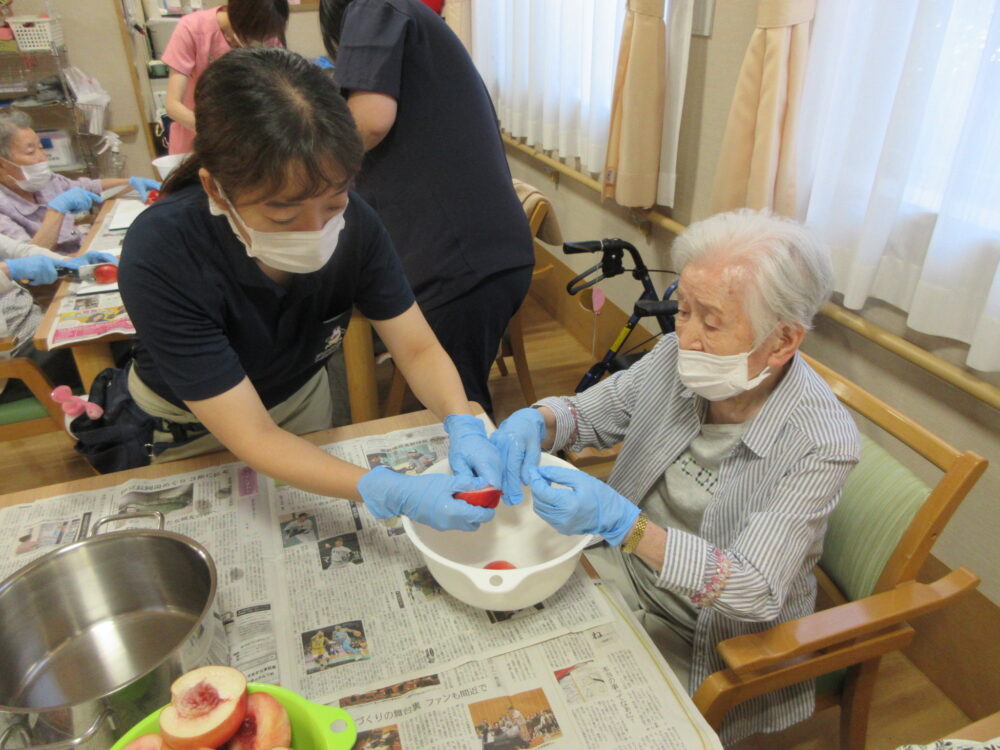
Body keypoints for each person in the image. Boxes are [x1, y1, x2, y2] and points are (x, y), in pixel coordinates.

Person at [491, 210, 861, 745]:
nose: (685, 337)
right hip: (618, 571)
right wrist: (539, 419)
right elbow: (592, 413)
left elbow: (754, 589)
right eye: (682, 310)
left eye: (711, 323)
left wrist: (628, 527)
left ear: (782, 342)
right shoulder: (671, 356)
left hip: (707, 634)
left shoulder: (820, 442)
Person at [119, 47, 504, 532]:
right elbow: (254, 436)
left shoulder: (357, 224)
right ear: (216, 189)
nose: (315, 228)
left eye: (333, 202)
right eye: (283, 214)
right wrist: (389, 490)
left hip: (302, 400)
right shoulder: (163, 250)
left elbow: (419, 347)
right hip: (190, 429)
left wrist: (463, 419)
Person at [320, 0, 534, 416]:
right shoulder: (413, 26)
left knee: (454, 419)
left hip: (460, 265)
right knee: (452, 410)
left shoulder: (374, 4)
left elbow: (371, 121)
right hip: (476, 257)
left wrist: (303, 175)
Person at [0, 110, 160, 253]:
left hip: (80, 251)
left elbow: (91, 187)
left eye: (41, 148)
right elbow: (29, 263)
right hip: (55, 278)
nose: (42, 158)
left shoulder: (47, 182)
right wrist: (56, 211)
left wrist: (130, 182)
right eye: (30, 152)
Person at [162, 0, 289, 155]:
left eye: (266, 36)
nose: (262, 42)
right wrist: (219, 134)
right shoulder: (192, 28)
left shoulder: (269, 36)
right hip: (195, 143)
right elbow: (173, 105)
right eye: (253, 35)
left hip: (247, 146)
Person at [0, 233, 114, 399]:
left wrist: (68, 263)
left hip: (41, 329)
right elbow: (11, 267)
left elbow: (20, 250)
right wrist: (7, 270)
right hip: (15, 361)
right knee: (115, 341)